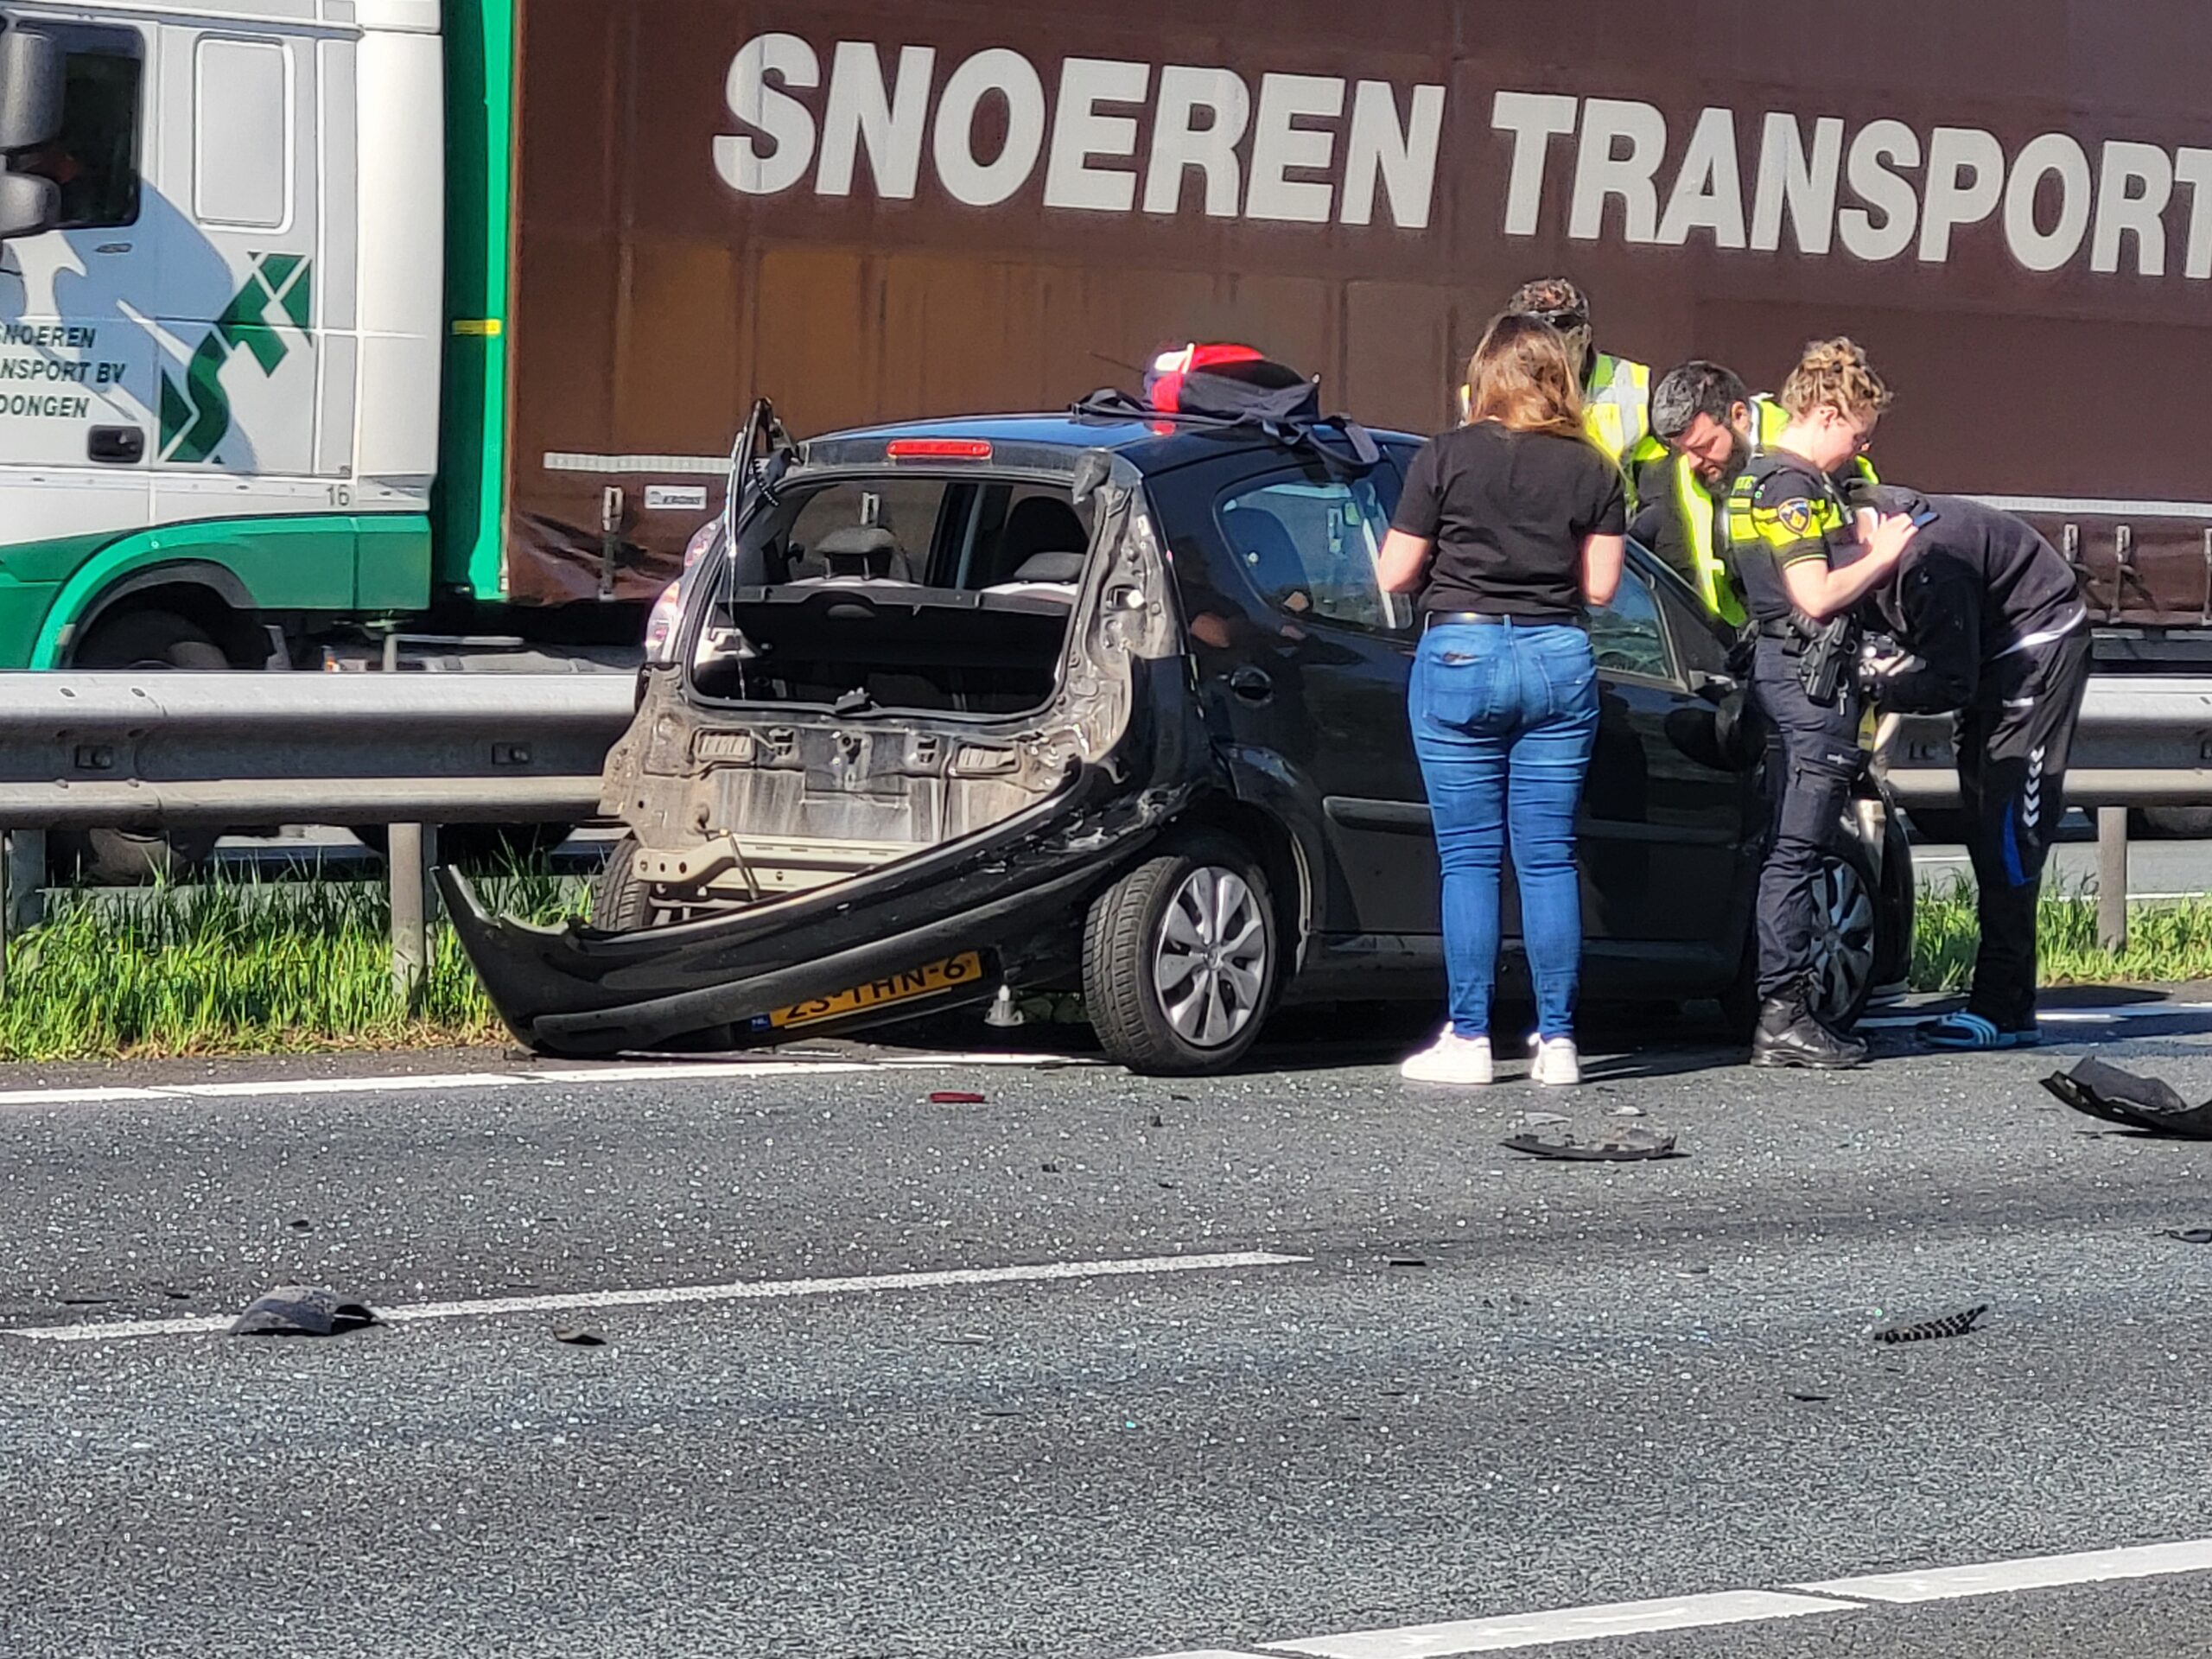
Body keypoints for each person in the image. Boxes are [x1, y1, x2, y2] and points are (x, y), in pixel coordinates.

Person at [1380, 313, 1626, 1088]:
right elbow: (1601, 587)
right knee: (1548, 857)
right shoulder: (1594, 467)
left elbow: (1394, 572)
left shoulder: (1444, 456)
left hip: (1460, 649)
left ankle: (1470, 1036)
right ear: (1560, 378)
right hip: (1556, 655)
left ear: (1485, 377)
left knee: (1470, 860)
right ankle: (1558, 1043)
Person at [1723, 338, 1920, 1069]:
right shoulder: (1792, 486)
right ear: (1828, 412)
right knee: (1799, 853)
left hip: (1778, 671)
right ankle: (1785, 1016)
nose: (1862, 447)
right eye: (1859, 431)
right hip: (1809, 684)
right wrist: (1881, 555)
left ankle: (1784, 1007)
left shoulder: (1751, 481)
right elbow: (1813, 594)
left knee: (1787, 850)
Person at [1860, 490, 2090, 1049]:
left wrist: (1876, 686)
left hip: (2039, 650)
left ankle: (2002, 1009)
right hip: (1993, 653)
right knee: (1984, 819)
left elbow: (1949, 681)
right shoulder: (1862, 528)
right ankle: (2009, 1004)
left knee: (2009, 830)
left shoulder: (1929, 566)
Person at [1642, 359, 1882, 625]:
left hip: (1812, 633)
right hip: (1735, 636)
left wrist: (1869, 524)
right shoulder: (1672, 473)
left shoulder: (1808, 440)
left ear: (1740, 416)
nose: (1692, 462)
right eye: (1682, 450)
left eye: (1705, 446)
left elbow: (1866, 498)